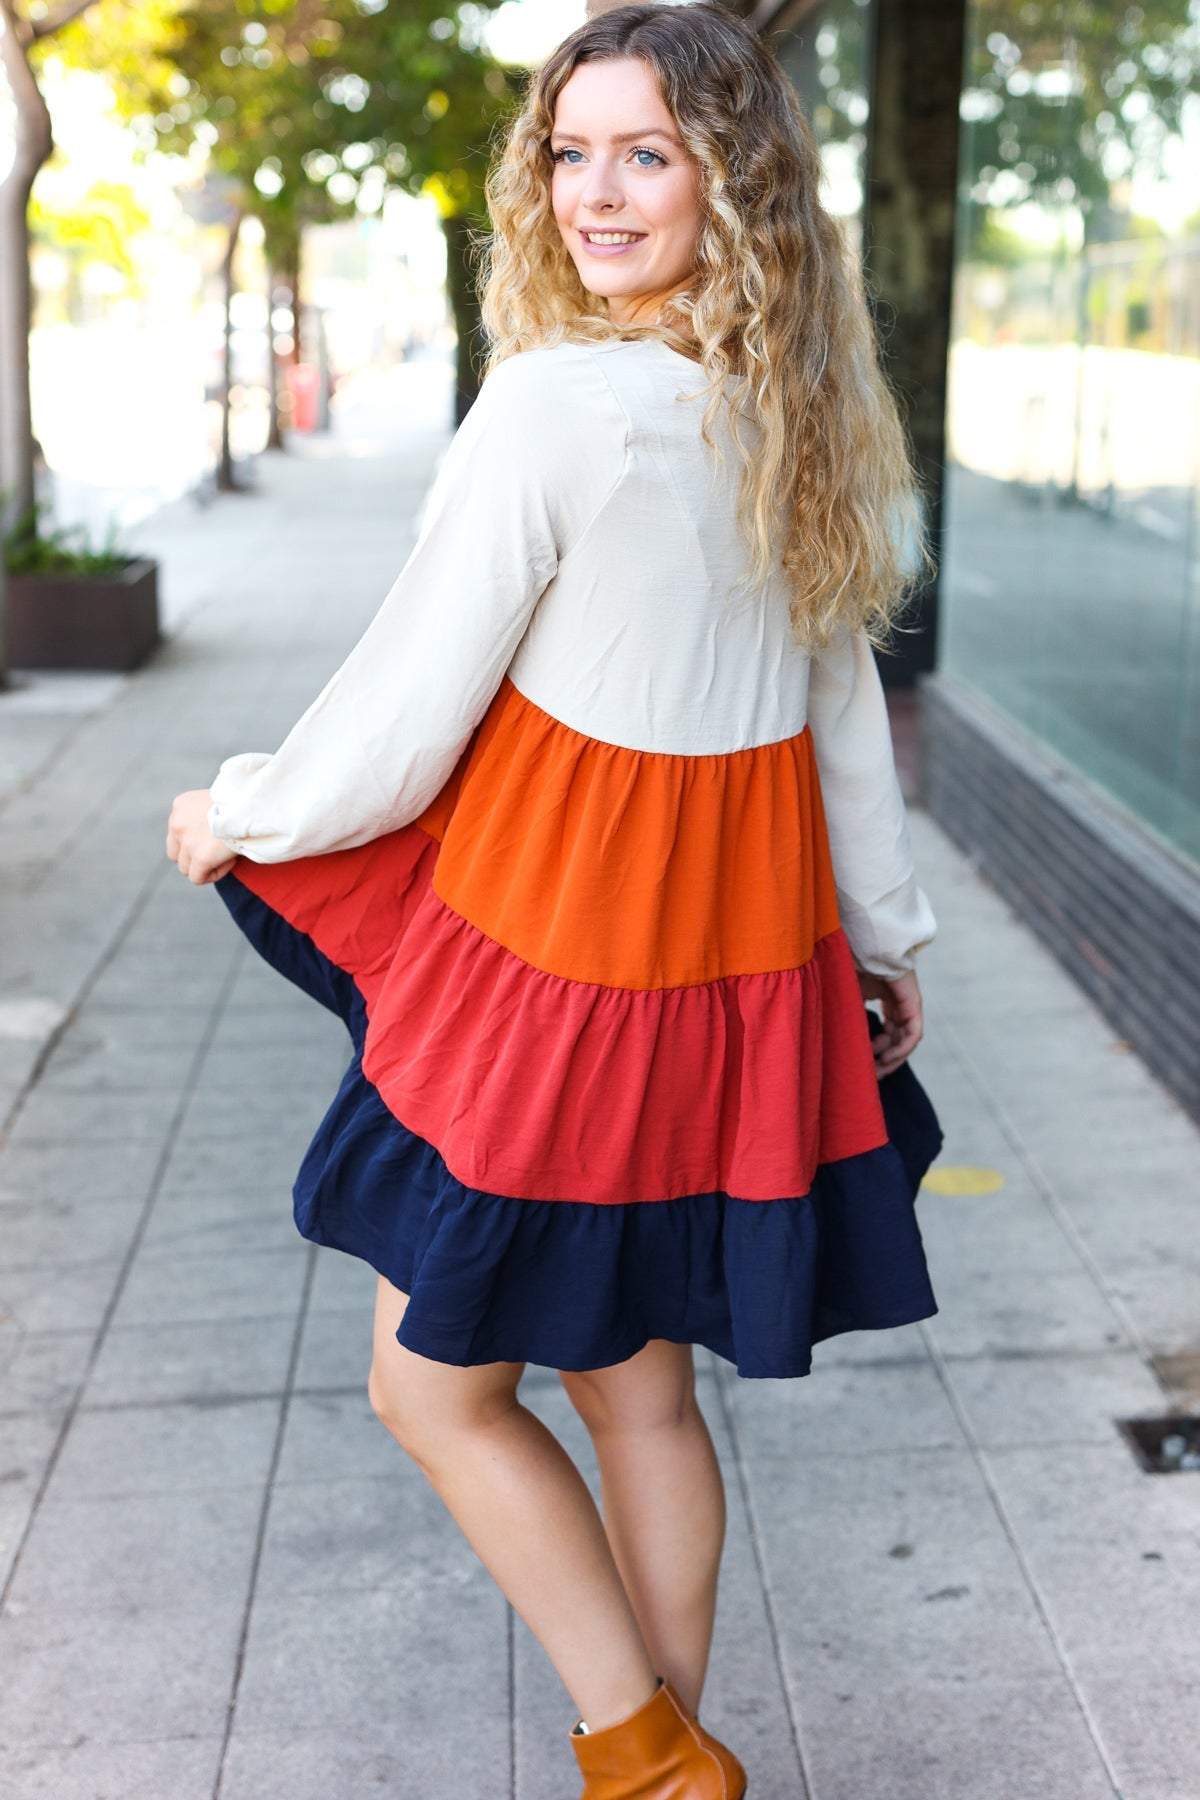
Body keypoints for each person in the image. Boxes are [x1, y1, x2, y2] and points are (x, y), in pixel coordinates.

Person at [165, 5, 943, 1793]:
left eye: (646, 153)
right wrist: (888, 946)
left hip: (572, 965)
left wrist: (246, 807)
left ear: (727, 180)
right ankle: (664, 1758)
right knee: (641, 1389)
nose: (595, 193)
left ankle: (643, 1751)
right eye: (572, 151)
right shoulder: (801, 407)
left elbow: (405, 706)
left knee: (429, 1388)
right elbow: (845, 723)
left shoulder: (556, 404)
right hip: (732, 969)